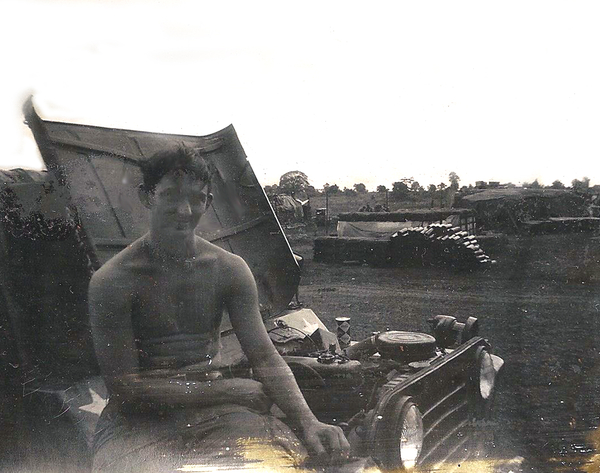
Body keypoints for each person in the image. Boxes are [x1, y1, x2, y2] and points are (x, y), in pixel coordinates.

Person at [88, 145, 351, 472]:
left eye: (197, 198)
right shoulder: (113, 279)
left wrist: (310, 423)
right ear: (147, 197)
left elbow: (266, 357)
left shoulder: (227, 268)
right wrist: (227, 389)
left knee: (280, 464)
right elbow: (126, 390)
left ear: (208, 203)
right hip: (137, 425)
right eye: (170, 195)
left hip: (219, 415)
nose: (184, 210)